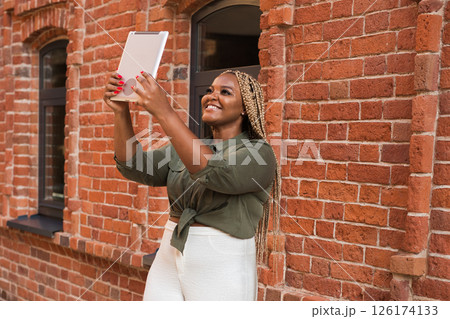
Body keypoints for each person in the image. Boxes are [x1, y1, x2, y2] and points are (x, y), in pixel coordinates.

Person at [103, 69, 280, 301]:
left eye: (225, 92)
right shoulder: (186, 147)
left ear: (245, 107)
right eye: (210, 90)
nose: (212, 96)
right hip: (170, 252)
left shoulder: (259, 153)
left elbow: (214, 172)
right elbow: (134, 166)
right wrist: (120, 111)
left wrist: (164, 111)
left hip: (221, 264)